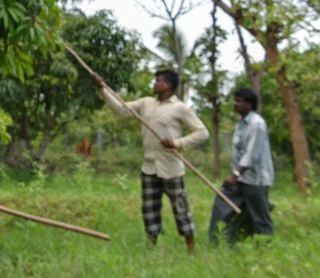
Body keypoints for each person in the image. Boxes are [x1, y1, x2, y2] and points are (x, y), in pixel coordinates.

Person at [99, 69, 209, 253]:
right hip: (149, 167)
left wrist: (177, 143)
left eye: (159, 81)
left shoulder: (180, 108)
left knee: (181, 209)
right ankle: (152, 245)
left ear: (169, 85)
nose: (155, 83)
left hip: (172, 169)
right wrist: (102, 88)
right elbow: (121, 108)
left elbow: (203, 133)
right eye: (156, 80)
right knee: (150, 209)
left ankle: (191, 248)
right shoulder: (145, 103)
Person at [208, 88, 275, 244]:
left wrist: (235, 175)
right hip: (240, 177)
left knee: (259, 215)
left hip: (255, 179)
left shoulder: (257, 124)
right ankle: (219, 239)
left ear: (250, 104)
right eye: (235, 100)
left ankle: (265, 243)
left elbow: (252, 154)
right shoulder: (241, 123)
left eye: (239, 101)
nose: (235, 104)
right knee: (222, 201)